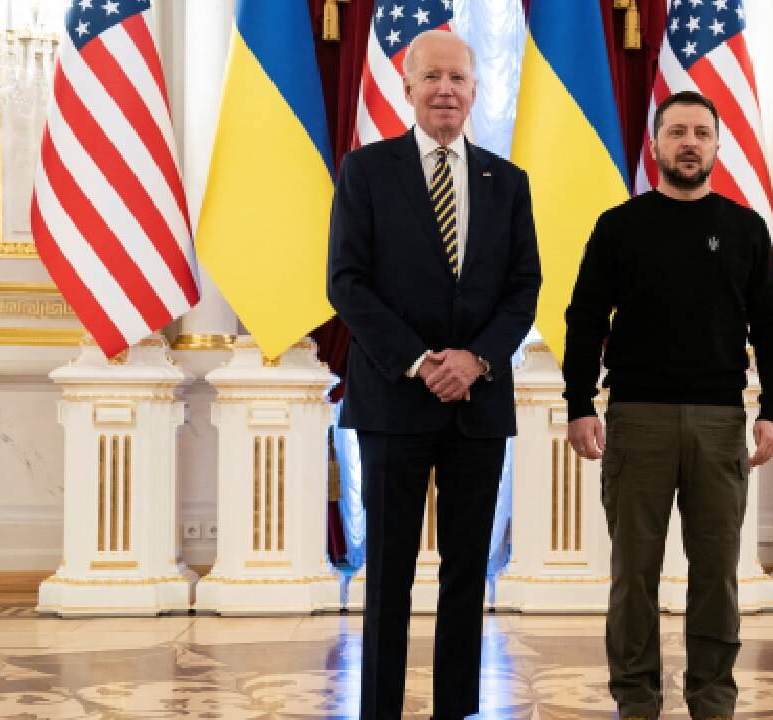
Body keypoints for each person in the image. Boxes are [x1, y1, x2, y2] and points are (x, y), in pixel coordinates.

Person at [326, 30, 541, 720]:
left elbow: (523, 287)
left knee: (464, 572)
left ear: (475, 90)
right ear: (407, 88)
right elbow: (347, 284)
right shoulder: (365, 171)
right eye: (432, 78)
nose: (446, 89)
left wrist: (475, 359)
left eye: (458, 78)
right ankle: (380, 710)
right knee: (388, 573)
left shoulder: (507, 183)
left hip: (478, 404)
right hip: (394, 400)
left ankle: (457, 709)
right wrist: (422, 361)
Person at [563, 90, 773, 720]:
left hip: (721, 422)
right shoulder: (618, 227)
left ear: (718, 146)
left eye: (701, 133)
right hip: (636, 420)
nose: (689, 143)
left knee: (717, 573)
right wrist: (579, 403)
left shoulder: (746, 230)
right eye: (677, 132)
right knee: (633, 573)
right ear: (656, 145)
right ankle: (636, 701)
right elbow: (583, 321)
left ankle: (712, 699)